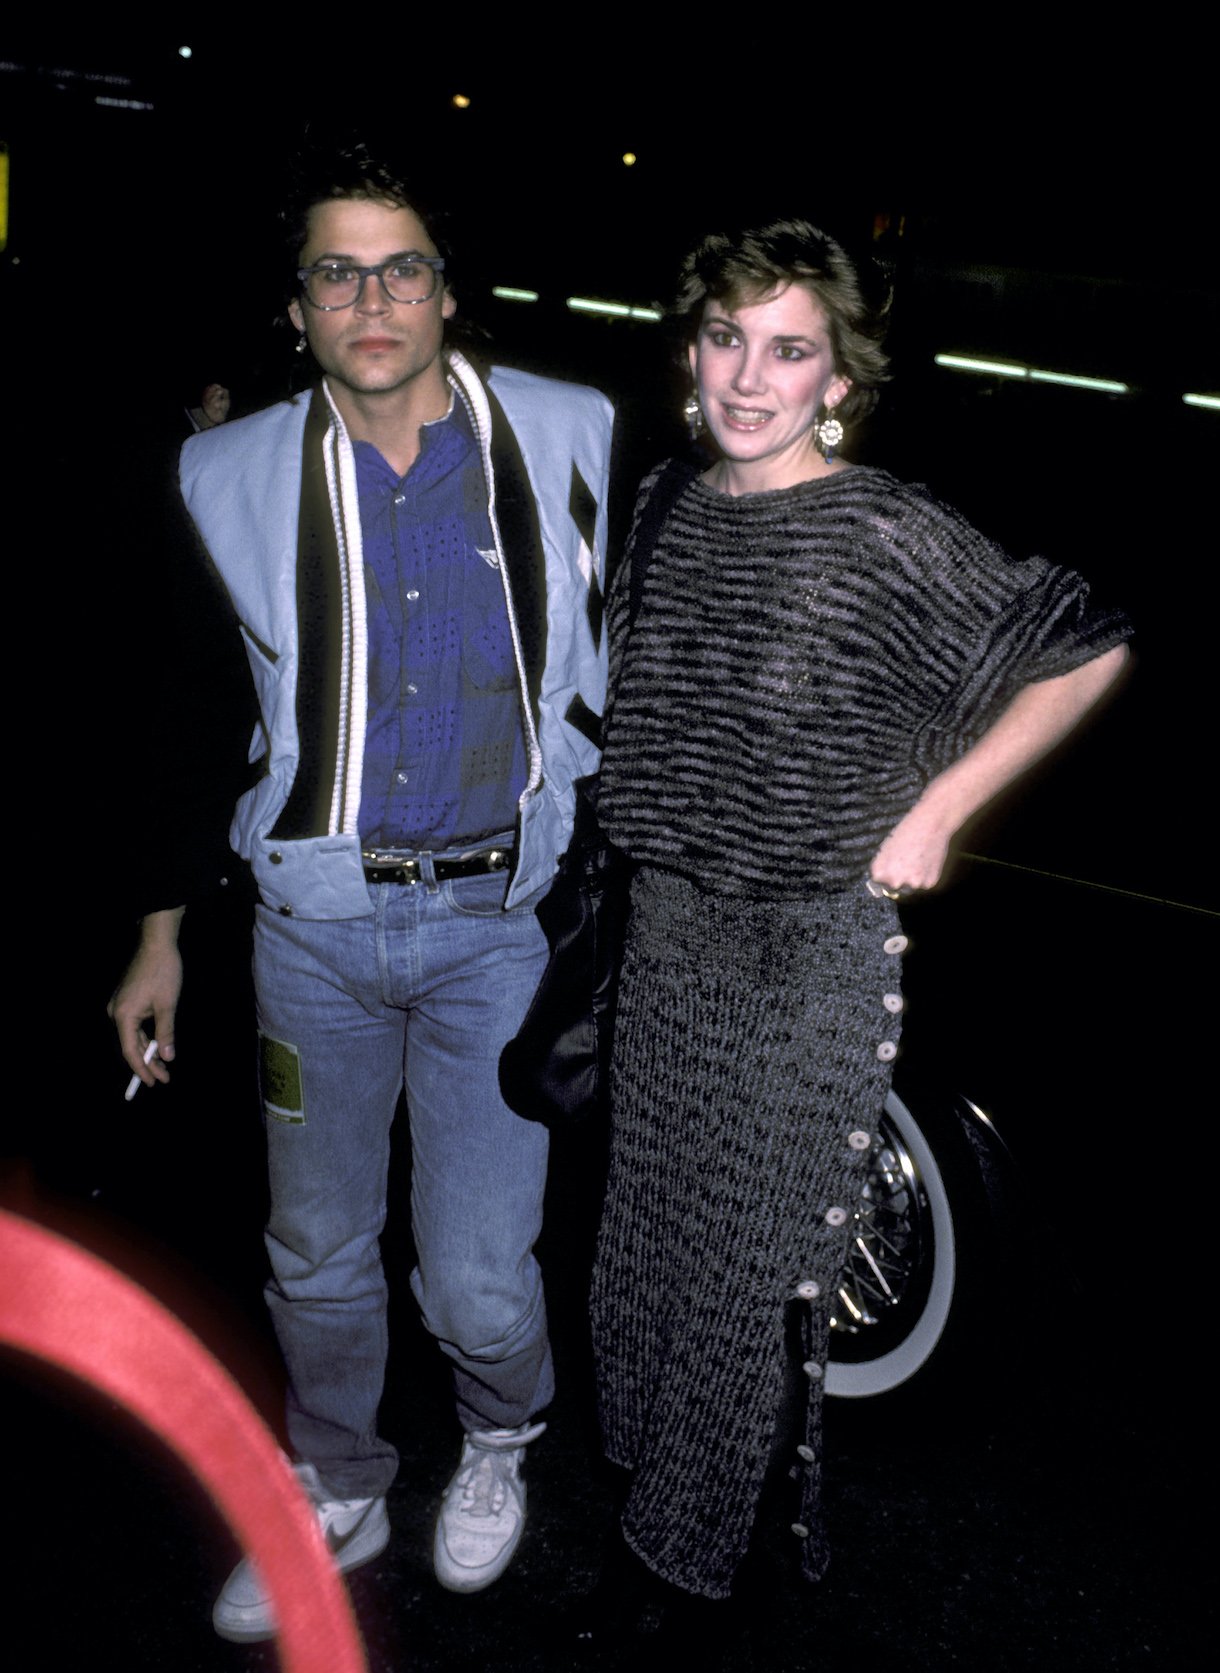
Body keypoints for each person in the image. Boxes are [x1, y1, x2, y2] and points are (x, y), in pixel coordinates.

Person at [586, 218, 1130, 1638]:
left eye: (789, 351)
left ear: (838, 379)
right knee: (644, 1253)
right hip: (669, 942)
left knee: (740, 1280)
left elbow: (1083, 646)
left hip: (806, 959)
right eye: (725, 339)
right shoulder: (665, 503)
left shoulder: (879, 530)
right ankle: (664, 1515)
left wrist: (939, 810)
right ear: (689, 351)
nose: (746, 377)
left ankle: (680, 1576)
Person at [108, 141, 613, 1641]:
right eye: (339, 273)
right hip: (311, 929)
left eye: (403, 270)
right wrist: (157, 935)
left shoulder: (574, 431)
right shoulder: (221, 473)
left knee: (477, 1278)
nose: (373, 300)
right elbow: (185, 715)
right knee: (315, 1254)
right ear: (297, 306)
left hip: (500, 929)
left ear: (448, 293)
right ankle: (339, 1477)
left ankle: (500, 1435)